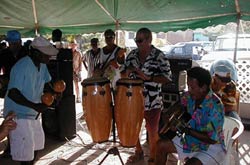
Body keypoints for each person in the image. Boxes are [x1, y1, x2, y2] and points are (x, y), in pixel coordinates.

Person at [3, 36, 58, 164]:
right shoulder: (21, 67)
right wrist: (35, 106)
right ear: (36, 53)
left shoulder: (42, 65)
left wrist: (53, 92)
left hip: (33, 114)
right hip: (18, 115)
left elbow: (47, 81)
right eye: (47, 55)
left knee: (35, 149)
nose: (49, 58)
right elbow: (13, 93)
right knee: (25, 155)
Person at [155, 67, 225, 165]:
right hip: (191, 141)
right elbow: (175, 107)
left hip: (210, 147)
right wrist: (169, 118)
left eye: (192, 87)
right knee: (160, 145)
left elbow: (211, 139)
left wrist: (185, 130)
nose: (189, 90)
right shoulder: (189, 96)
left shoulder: (215, 106)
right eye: (188, 86)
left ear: (203, 88)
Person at [121, 27, 172, 164]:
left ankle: (154, 158)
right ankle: (138, 152)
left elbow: (167, 78)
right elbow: (122, 73)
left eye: (140, 40)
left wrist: (149, 78)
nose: (137, 43)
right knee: (134, 128)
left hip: (153, 101)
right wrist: (126, 71)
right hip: (133, 101)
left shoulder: (159, 56)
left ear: (149, 40)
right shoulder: (131, 55)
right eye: (136, 40)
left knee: (152, 131)